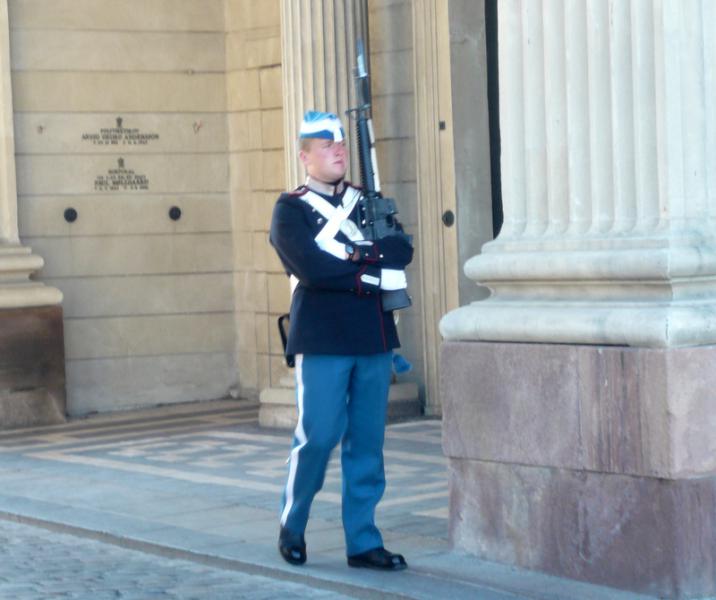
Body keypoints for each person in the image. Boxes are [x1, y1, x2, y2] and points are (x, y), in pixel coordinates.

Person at [269, 110, 413, 571]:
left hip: (372, 335)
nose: (337, 151)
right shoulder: (291, 208)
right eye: (326, 146)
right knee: (319, 436)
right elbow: (310, 268)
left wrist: (358, 260)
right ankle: (293, 523)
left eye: (341, 145)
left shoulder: (367, 201)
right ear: (305, 157)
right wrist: (367, 265)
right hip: (324, 337)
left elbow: (402, 249)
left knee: (367, 443)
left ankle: (363, 540)